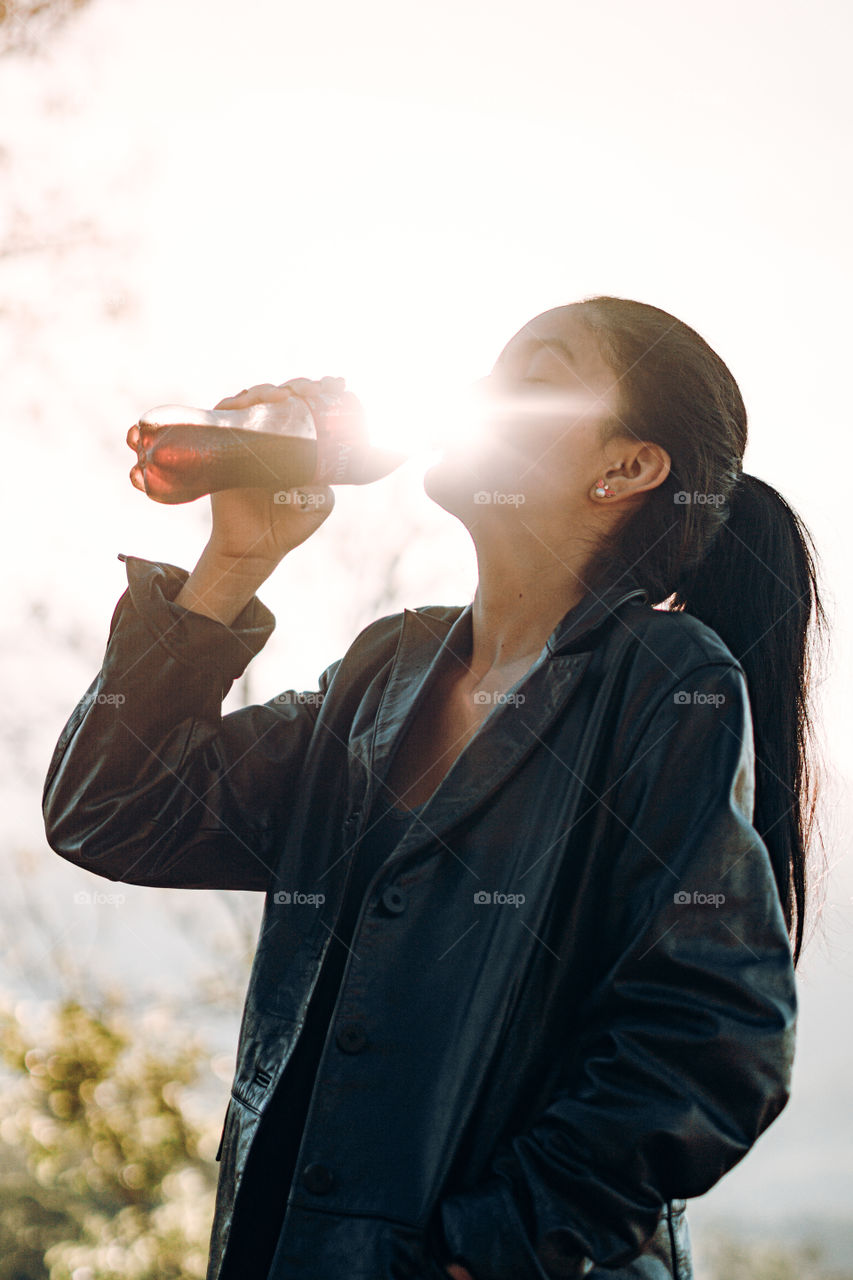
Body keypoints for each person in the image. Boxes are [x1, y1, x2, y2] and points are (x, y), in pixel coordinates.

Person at [43, 296, 826, 1280]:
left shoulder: (664, 680)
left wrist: (486, 1248)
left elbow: (715, 1032)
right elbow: (114, 812)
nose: (478, 394)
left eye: (533, 376)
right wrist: (235, 557)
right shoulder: (385, 670)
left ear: (624, 466)